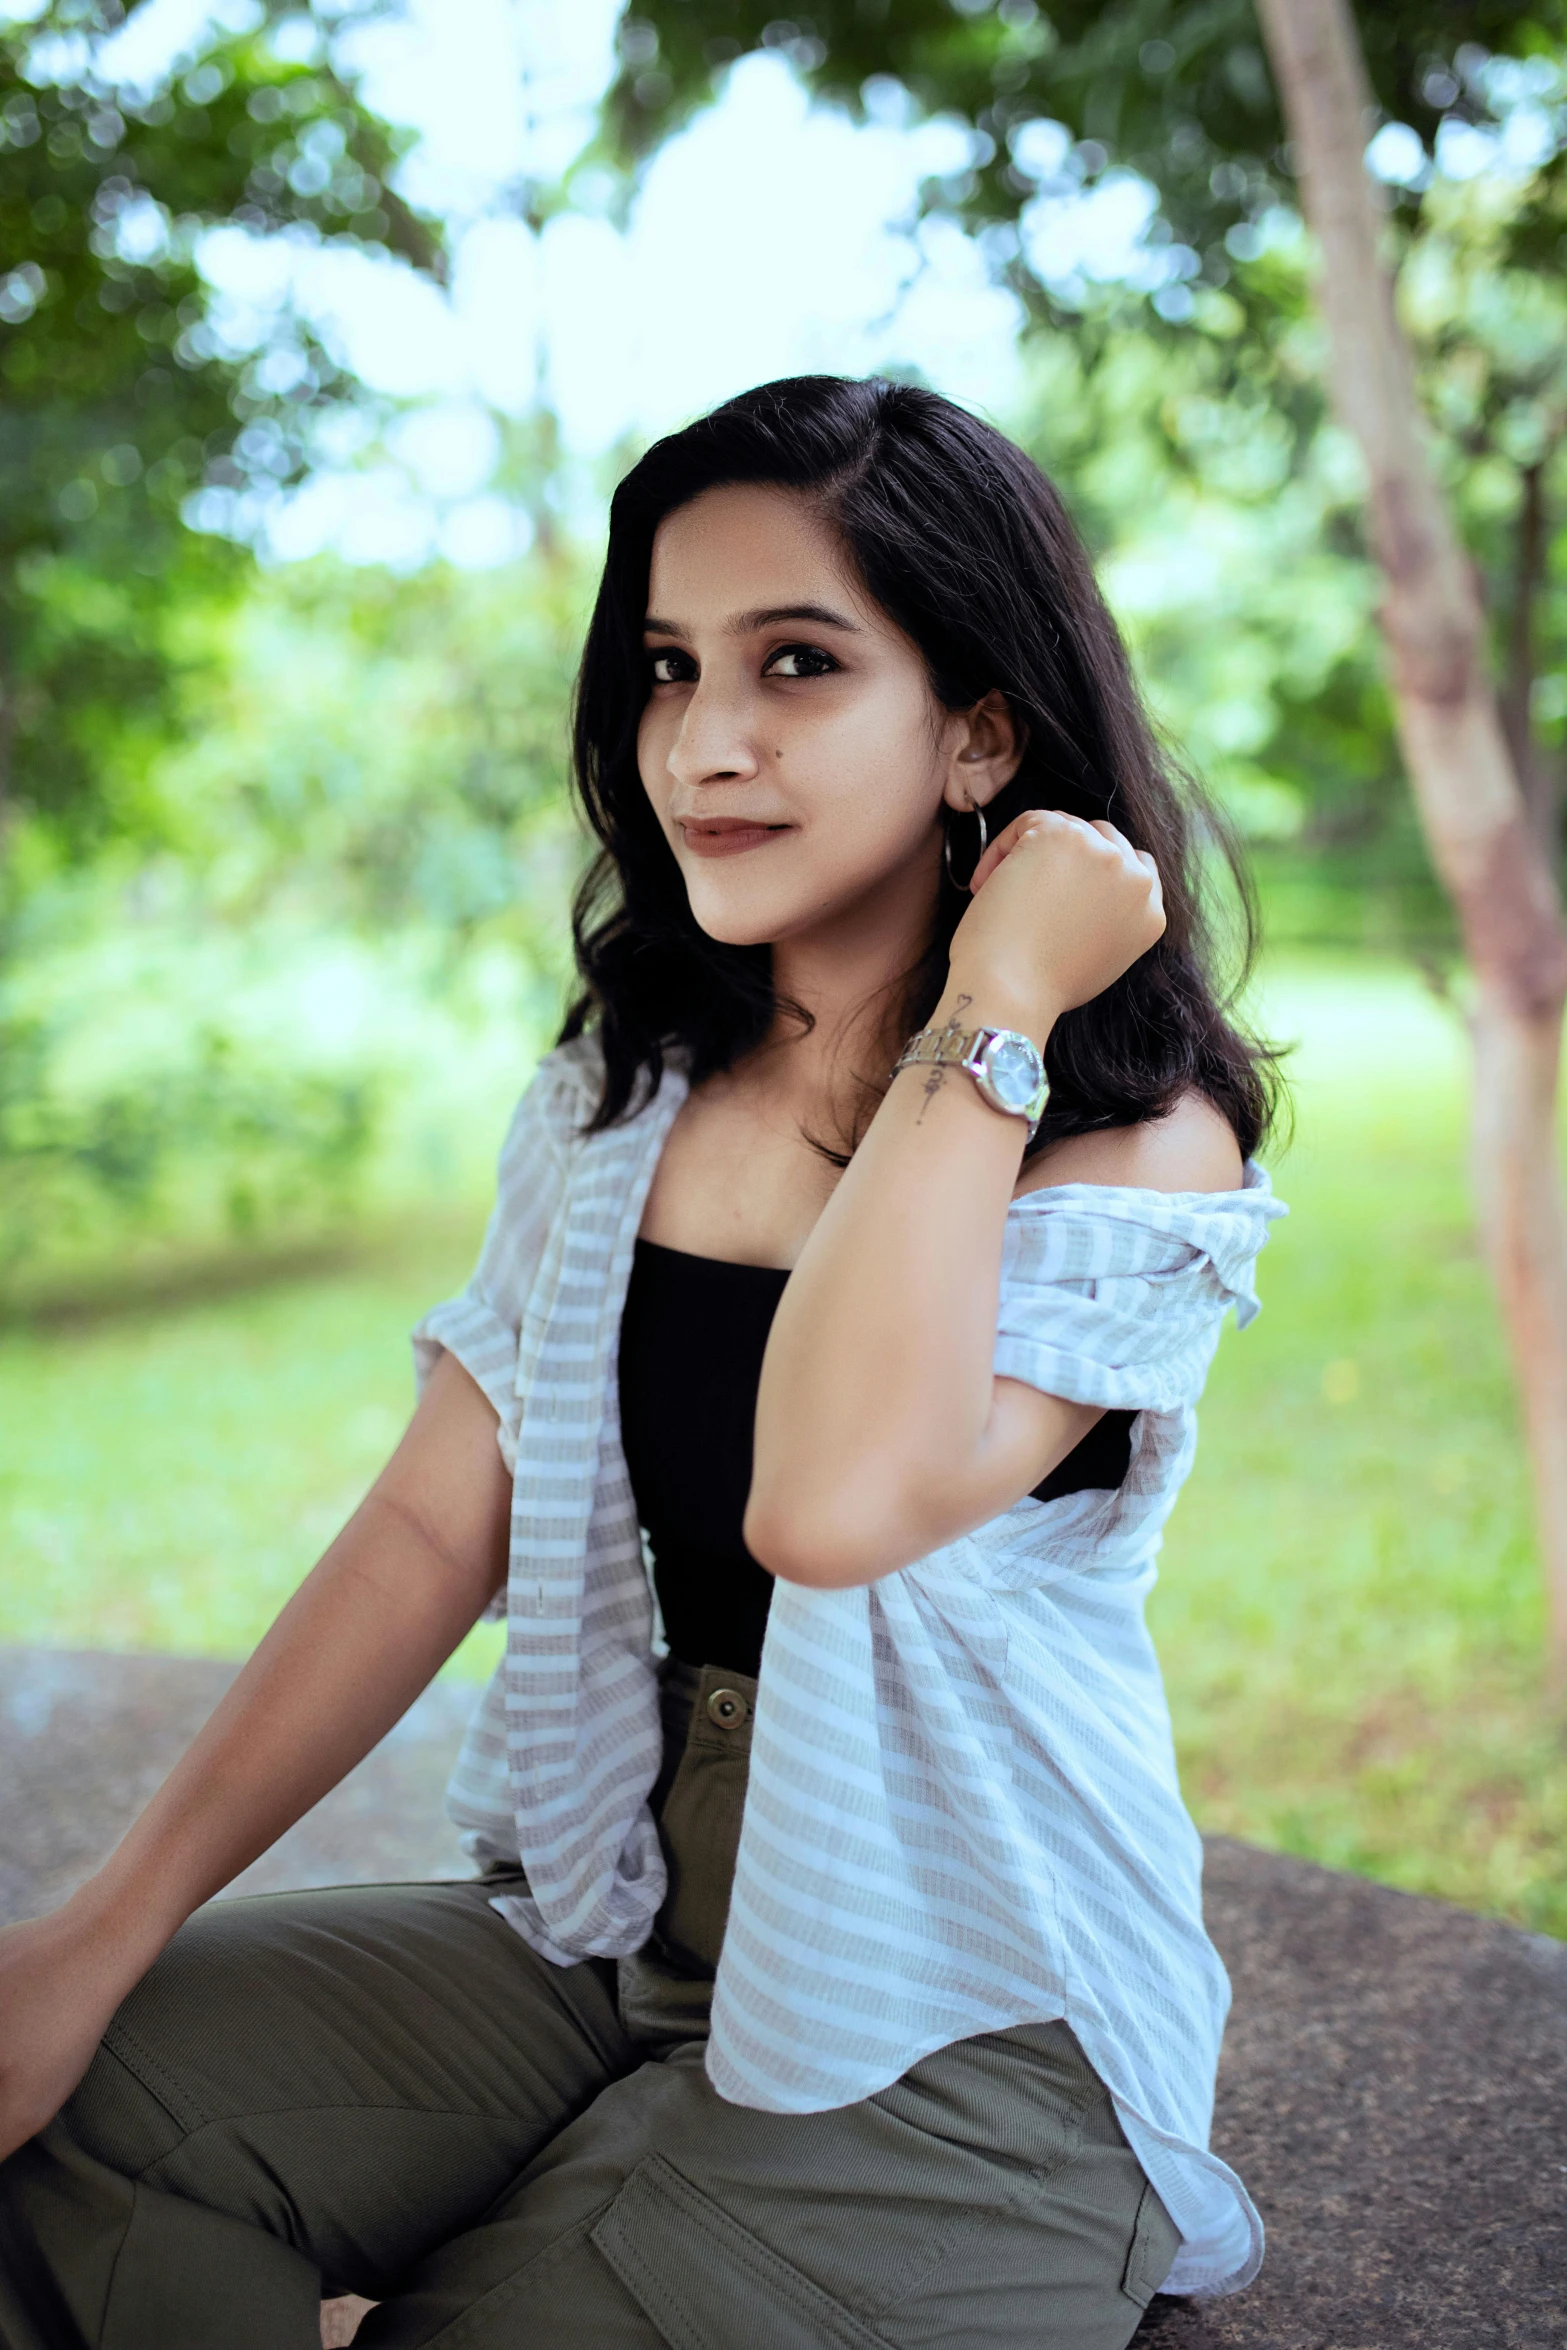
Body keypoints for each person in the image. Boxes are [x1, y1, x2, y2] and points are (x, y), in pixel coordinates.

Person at [0, 375, 1285, 2350]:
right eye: (671, 667)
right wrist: (96, 1930)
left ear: (980, 733)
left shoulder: (1128, 1147)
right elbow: (442, 1514)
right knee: (70, 2117)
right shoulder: (625, 1099)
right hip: (616, 1931)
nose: (705, 739)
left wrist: (997, 997)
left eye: (797, 663)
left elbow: (829, 1500)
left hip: (968, 2021)